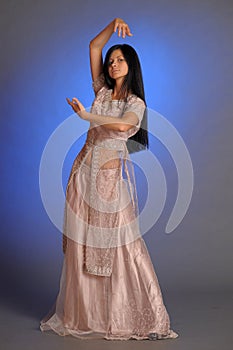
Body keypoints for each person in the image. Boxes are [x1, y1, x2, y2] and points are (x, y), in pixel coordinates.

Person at [40, 18, 179, 341]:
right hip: (83, 173)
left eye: (120, 60)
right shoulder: (101, 91)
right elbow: (94, 46)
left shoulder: (135, 103)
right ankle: (87, 315)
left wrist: (88, 116)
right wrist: (112, 23)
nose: (114, 64)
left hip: (109, 180)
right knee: (81, 246)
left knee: (123, 247)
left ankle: (141, 315)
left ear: (131, 66)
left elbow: (121, 127)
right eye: (112, 60)